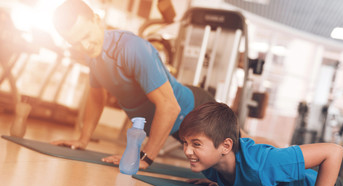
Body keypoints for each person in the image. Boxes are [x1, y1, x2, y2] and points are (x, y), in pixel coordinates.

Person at [51, 0, 274, 170]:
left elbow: (170, 107)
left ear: (97, 21)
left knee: (245, 149)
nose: (85, 45)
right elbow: (95, 97)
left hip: (196, 110)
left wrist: (146, 157)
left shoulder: (131, 48)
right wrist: (83, 139)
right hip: (177, 126)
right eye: (76, 42)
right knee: (240, 153)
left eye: (87, 36)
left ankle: (288, 155)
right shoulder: (94, 56)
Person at [179, 102, 343, 186]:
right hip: (318, 184)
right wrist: (219, 179)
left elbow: (334, 151)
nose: (187, 151)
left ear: (226, 146)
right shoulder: (211, 166)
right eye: (185, 143)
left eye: (196, 144)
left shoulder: (263, 165)